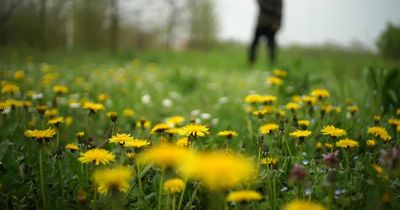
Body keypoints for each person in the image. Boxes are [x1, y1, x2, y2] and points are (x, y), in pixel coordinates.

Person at [249, 0, 282, 66]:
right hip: (261, 23)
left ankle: (272, 63)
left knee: (271, 45)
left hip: (271, 25)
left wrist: (278, 24)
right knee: (254, 44)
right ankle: (251, 61)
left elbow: (280, 12)